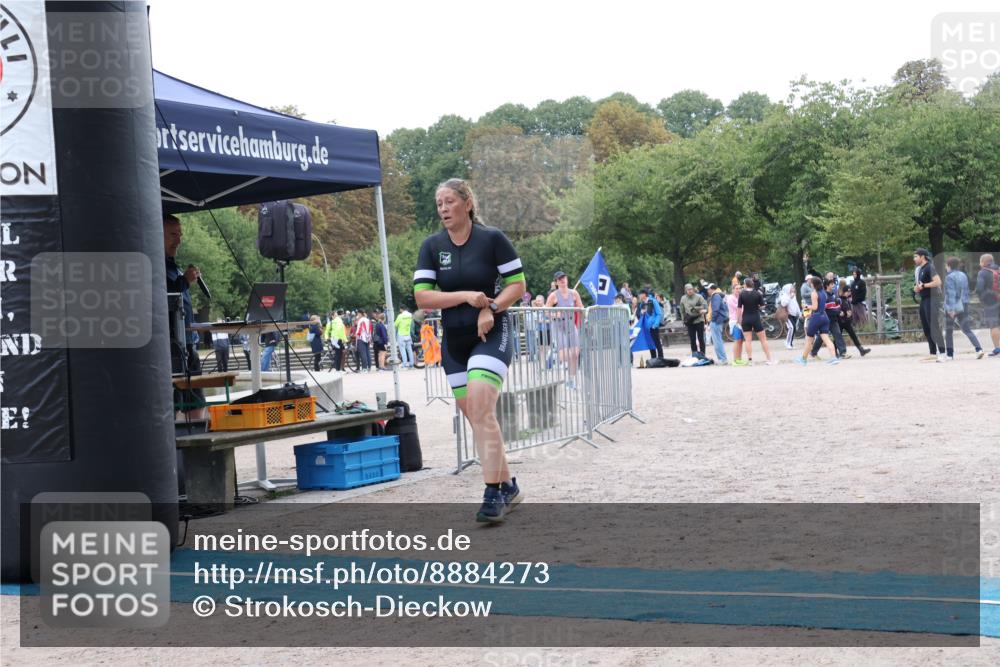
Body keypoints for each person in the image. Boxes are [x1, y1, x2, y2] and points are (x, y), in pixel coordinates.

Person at [413, 178, 526, 523]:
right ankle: (509, 486)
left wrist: (491, 308)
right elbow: (422, 296)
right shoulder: (432, 246)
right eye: (439, 204)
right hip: (454, 342)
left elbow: (517, 285)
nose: (443, 208)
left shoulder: (491, 239)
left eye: (449, 201)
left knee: (480, 408)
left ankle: (492, 494)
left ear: (467, 203)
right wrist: (465, 296)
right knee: (477, 417)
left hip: (490, 333)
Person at [163, 215, 205, 418]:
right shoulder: (154, 265)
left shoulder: (173, 266)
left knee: (196, 400)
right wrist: (185, 281)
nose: (178, 240)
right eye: (173, 234)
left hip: (187, 343)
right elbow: (163, 297)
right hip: (170, 348)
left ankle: (198, 434)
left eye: (180, 235)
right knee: (171, 405)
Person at [546, 270, 584, 388]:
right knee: (564, 355)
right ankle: (555, 358)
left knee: (575, 353)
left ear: (567, 279)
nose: (562, 280)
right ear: (556, 282)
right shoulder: (553, 295)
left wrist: (583, 314)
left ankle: (571, 380)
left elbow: (581, 308)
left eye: (564, 277)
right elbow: (546, 311)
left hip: (571, 325)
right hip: (558, 326)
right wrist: (554, 314)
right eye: (559, 279)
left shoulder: (574, 293)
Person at [943, 257, 984, 360]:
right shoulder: (963, 275)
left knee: (949, 331)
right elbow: (965, 291)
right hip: (964, 304)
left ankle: (950, 354)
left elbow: (951, 293)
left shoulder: (949, 277)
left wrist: (951, 309)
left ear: (949, 266)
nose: (945, 267)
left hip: (953, 306)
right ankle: (979, 349)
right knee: (966, 329)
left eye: (946, 265)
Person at [795, 276, 840, 366]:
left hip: (816, 317)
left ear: (814, 284)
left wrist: (806, 306)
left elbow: (815, 307)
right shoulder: (823, 292)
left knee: (809, 339)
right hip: (825, 316)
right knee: (827, 339)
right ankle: (834, 358)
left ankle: (803, 359)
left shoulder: (814, 293)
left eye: (811, 283)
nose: (810, 284)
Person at [913, 248, 946, 362]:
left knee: (934, 326)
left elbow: (938, 282)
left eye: (916, 256)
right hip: (924, 300)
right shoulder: (920, 269)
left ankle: (943, 353)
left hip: (932, 299)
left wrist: (924, 286)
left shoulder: (929, 267)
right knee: (926, 327)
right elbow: (921, 284)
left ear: (922, 257)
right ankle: (932, 353)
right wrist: (917, 288)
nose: (914, 259)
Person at [738, 277, 774, 364]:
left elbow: (739, 308)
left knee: (747, 340)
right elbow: (762, 306)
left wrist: (739, 319)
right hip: (755, 317)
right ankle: (769, 359)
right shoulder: (757, 293)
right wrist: (757, 306)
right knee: (763, 339)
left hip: (746, 318)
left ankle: (750, 360)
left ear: (745, 284)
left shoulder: (742, 294)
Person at [810, 279, 848, 359]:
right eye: (831, 284)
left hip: (833, 319)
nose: (833, 285)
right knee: (821, 337)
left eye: (833, 284)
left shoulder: (833, 294)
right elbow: (827, 307)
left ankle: (843, 353)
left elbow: (836, 305)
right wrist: (837, 311)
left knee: (837, 334)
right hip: (826, 319)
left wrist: (839, 310)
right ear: (827, 285)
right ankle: (813, 352)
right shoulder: (824, 295)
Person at [974, 253, 1000, 356]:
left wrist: (982, 299)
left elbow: (979, 288)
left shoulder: (983, 272)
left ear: (983, 262)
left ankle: (997, 349)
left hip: (991, 302)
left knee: (994, 325)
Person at [836, 283, 870, 357]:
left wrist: (849, 314)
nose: (849, 293)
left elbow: (849, 308)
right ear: (844, 292)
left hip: (847, 321)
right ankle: (835, 352)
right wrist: (843, 313)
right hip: (840, 321)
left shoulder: (847, 299)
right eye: (847, 292)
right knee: (838, 337)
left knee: (853, 335)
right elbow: (838, 309)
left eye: (849, 292)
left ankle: (861, 350)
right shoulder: (839, 299)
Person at [679, 283, 708, 358]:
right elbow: (682, 310)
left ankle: (702, 355)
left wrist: (697, 308)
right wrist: (683, 320)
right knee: (692, 339)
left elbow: (705, 306)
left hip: (699, 320)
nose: (690, 291)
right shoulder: (683, 298)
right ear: (685, 290)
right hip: (689, 321)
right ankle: (694, 355)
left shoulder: (699, 297)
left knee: (701, 338)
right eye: (688, 289)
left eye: (691, 289)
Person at [706, 283, 728, 364]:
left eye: (708, 289)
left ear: (712, 289)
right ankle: (722, 358)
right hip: (718, 320)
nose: (707, 291)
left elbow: (715, 309)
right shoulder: (719, 295)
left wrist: (712, 320)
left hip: (716, 321)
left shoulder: (715, 296)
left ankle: (722, 359)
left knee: (717, 341)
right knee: (718, 340)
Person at [638, 289, 663, 359]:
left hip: (653, 326)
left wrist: (655, 324)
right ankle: (653, 358)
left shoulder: (653, 301)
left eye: (640, 294)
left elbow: (659, 313)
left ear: (644, 294)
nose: (639, 296)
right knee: (650, 343)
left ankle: (661, 358)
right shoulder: (642, 304)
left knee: (657, 343)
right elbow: (641, 316)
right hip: (646, 327)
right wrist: (641, 313)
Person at [727, 283, 748, 365]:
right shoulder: (730, 298)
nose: (739, 290)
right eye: (736, 288)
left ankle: (739, 359)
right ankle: (735, 360)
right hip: (735, 321)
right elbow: (739, 308)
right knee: (737, 340)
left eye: (740, 288)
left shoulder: (741, 298)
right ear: (733, 290)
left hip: (742, 321)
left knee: (741, 341)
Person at [778, 283, 801, 349]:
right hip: (787, 315)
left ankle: (790, 343)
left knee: (793, 328)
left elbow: (796, 304)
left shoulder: (793, 295)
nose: (794, 288)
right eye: (792, 287)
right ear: (788, 289)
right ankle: (787, 343)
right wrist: (789, 297)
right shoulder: (785, 295)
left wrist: (799, 313)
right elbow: (783, 304)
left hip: (793, 314)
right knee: (791, 328)